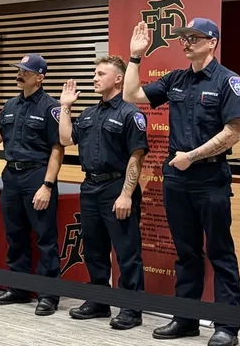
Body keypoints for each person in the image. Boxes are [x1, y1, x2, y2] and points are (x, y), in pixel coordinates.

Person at [124, 19, 240, 346]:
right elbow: (132, 93)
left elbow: (233, 132)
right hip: (177, 179)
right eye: (183, 38)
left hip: (210, 178)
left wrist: (192, 155)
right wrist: (136, 57)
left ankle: (227, 326)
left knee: (220, 252)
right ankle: (186, 318)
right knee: (186, 252)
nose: (186, 43)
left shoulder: (228, 81)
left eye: (193, 38)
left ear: (212, 42)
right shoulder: (175, 80)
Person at [57, 56, 147, 330]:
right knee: (94, 249)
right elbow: (64, 139)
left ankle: (131, 308)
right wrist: (64, 107)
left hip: (116, 186)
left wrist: (126, 195)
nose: (94, 78)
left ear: (118, 79)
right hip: (90, 187)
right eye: (94, 73)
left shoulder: (131, 114)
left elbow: (137, 156)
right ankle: (98, 300)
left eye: (100, 74)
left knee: (126, 251)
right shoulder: (88, 114)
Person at [0, 53, 63, 315]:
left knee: (44, 238)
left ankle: (49, 294)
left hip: (36, 176)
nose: (20, 74)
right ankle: (19, 289)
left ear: (40, 77)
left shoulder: (51, 107)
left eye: (26, 71)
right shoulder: (12, 105)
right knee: (15, 236)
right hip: (12, 176)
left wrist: (48, 185)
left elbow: (57, 149)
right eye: (19, 70)